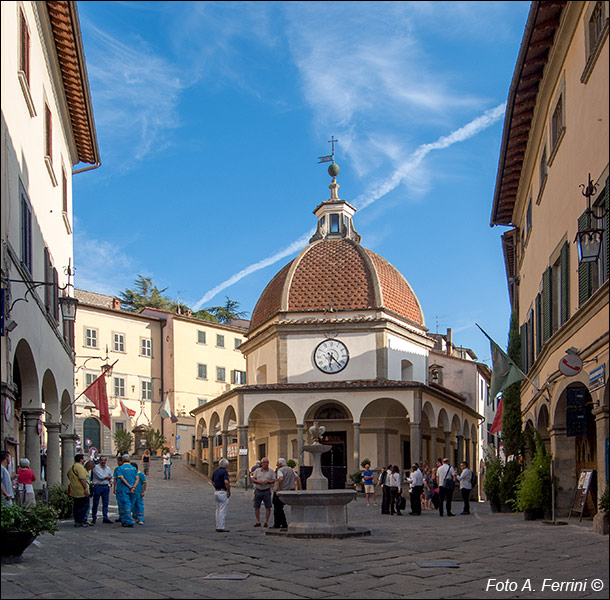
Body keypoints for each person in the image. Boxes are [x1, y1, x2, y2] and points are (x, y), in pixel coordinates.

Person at [272, 458, 300, 529]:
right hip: (289, 490)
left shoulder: (280, 470)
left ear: (280, 464)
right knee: (280, 508)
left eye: (277, 463)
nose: (277, 465)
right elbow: (298, 479)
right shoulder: (291, 469)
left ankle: (280, 524)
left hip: (281, 491)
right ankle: (282, 523)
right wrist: (299, 488)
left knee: (277, 508)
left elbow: (281, 479)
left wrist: (279, 489)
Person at [115, 453, 139, 527]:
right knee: (130, 504)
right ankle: (126, 519)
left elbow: (122, 478)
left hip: (124, 489)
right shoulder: (134, 468)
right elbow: (137, 478)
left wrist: (129, 486)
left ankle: (128, 521)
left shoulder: (120, 468)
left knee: (126, 505)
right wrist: (134, 487)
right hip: (133, 489)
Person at [67, 454, 91, 527]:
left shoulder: (72, 467)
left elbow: (68, 474)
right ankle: (81, 521)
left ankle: (77, 521)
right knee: (84, 506)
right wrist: (86, 488)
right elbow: (82, 478)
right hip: (81, 490)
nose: (84, 460)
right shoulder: (80, 467)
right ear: (81, 460)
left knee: (76, 506)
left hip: (74, 489)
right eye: (83, 459)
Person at [251, 457, 275, 527]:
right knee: (256, 506)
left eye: (267, 462)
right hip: (258, 490)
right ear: (261, 463)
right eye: (264, 462)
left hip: (267, 490)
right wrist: (258, 481)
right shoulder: (257, 471)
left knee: (268, 506)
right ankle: (258, 521)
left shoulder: (271, 471)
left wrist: (268, 481)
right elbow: (253, 479)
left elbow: (274, 480)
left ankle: (266, 522)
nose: (266, 464)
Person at [90, 455, 114, 524]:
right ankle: (94, 518)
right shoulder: (96, 468)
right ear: (99, 460)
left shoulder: (108, 468)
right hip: (98, 486)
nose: (103, 462)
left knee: (105, 503)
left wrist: (111, 480)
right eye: (102, 460)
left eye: (104, 460)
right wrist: (107, 477)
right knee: (95, 503)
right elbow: (100, 477)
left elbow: (111, 476)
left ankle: (105, 517)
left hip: (106, 486)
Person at [212, 458, 231, 532]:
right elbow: (226, 481)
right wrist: (228, 490)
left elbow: (212, 481)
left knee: (218, 510)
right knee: (222, 510)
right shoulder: (224, 472)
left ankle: (217, 525)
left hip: (216, 491)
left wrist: (216, 487)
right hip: (223, 491)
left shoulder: (215, 471)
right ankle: (221, 527)